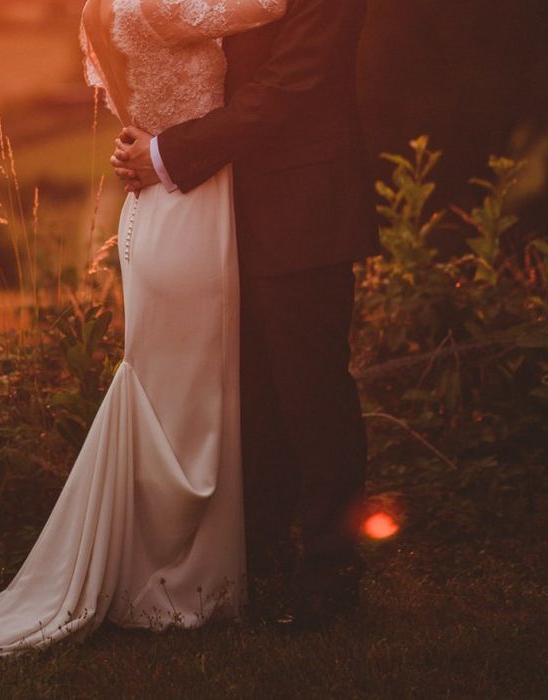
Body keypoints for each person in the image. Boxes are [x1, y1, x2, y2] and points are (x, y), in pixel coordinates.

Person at [0, 0, 291, 675]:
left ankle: (175, 561)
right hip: (188, 205)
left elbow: (130, 105)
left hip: (156, 198)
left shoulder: (100, 10)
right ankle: (179, 575)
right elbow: (271, 5)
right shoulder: (161, 6)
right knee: (191, 396)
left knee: (173, 387)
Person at [111, 0, 380, 629]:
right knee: (246, 398)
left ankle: (330, 573)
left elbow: (287, 88)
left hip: (304, 211)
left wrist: (167, 153)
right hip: (220, 211)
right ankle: (254, 559)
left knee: (311, 395)